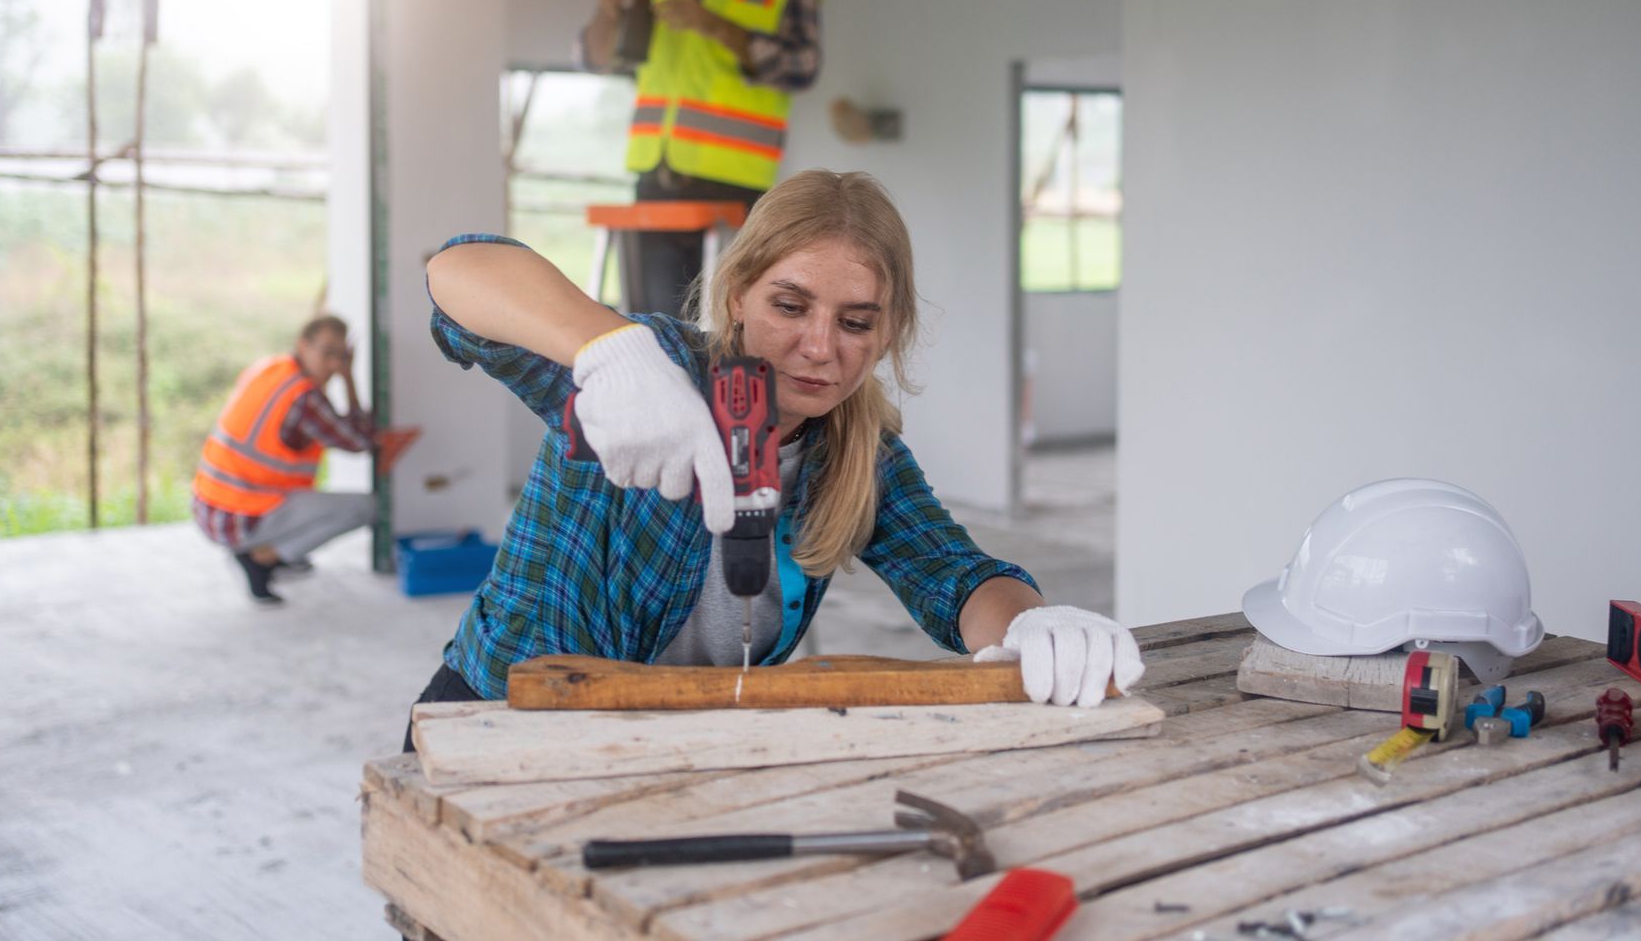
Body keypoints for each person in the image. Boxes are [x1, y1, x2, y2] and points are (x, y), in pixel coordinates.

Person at [403, 170, 1143, 748]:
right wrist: (608, 351)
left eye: (856, 322)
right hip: (496, 723)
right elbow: (456, 273)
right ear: (737, 296)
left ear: (888, 333)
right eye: (789, 307)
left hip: (675, 748)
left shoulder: (856, 455)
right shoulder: (644, 378)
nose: (821, 347)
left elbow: (958, 578)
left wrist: (1032, 629)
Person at [581, 0, 824, 319]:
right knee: (659, 332)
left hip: (735, 190)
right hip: (656, 177)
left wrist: (716, 26)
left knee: (731, 332)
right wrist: (608, 11)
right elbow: (598, 58)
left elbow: (802, 67)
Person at [192, 314, 384, 606]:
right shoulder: (305, 398)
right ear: (303, 344)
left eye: (341, 356)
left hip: (210, 506)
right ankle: (262, 559)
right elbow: (360, 442)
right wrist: (349, 378)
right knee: (368, 507)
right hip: (242, 515)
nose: (334, 364)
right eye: (328, 353)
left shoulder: (271, 368)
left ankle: (274, 551)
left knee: (313, 503)